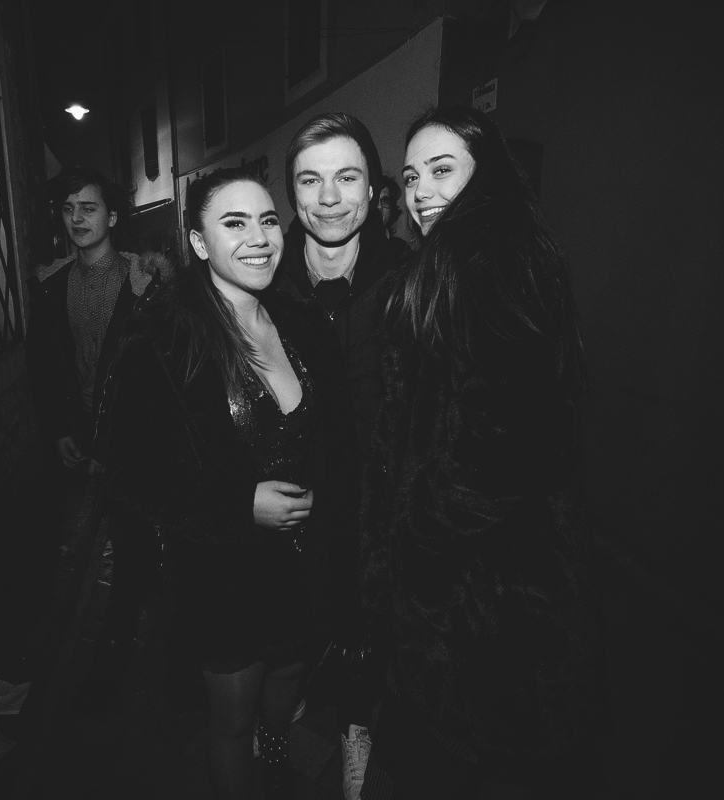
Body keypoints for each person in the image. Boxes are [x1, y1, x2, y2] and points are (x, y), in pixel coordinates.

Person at [359, 106, 605, 799]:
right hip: (462, 595)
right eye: (411, 177)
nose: (421, 192)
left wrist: (417, 544)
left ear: (486, 174)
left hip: (488, 600)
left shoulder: (500, 260)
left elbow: (509, 439)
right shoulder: (452, 262)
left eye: (442, 170)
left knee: (457, 763)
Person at [93, 169, 357, 800]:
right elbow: (127, 468)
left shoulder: (299, 321)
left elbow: (336, 436)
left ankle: (277, 756)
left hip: (304, 564)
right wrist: (240, 505)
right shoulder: (163, 334)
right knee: (233, 721)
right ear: (199, 242)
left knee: (285, 686)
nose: (258, 238)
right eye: (234, 223)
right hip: (225, 574)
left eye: (267, 220)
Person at [270, 112, 404, 799]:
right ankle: (286, 699)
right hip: (292, 500)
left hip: (381, 500)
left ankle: (356, 728)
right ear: (292, 194)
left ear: (373, 190)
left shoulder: (410, 279)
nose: (328, 198)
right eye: (310, 180)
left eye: (346, 178)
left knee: (368, 622)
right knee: (290, 621)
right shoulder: (262, 284)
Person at [24, 166, 170, 712]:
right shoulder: (52, 285)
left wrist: (132, 442)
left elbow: (162, 372)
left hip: (133, 442)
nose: (77, 218)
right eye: (68, 209)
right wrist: (59, 430)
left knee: (134, 553)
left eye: (88, 208)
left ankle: (124, 668)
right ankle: (75, 665)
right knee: (74, 555)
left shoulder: (143, 282)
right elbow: (45, 367)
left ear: (111, 216)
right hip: (79, 438)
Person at [374, 174, 411, 262]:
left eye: (385, 201)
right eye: (374, 200)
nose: (379, 207)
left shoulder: (402, 250)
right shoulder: (350, 248)